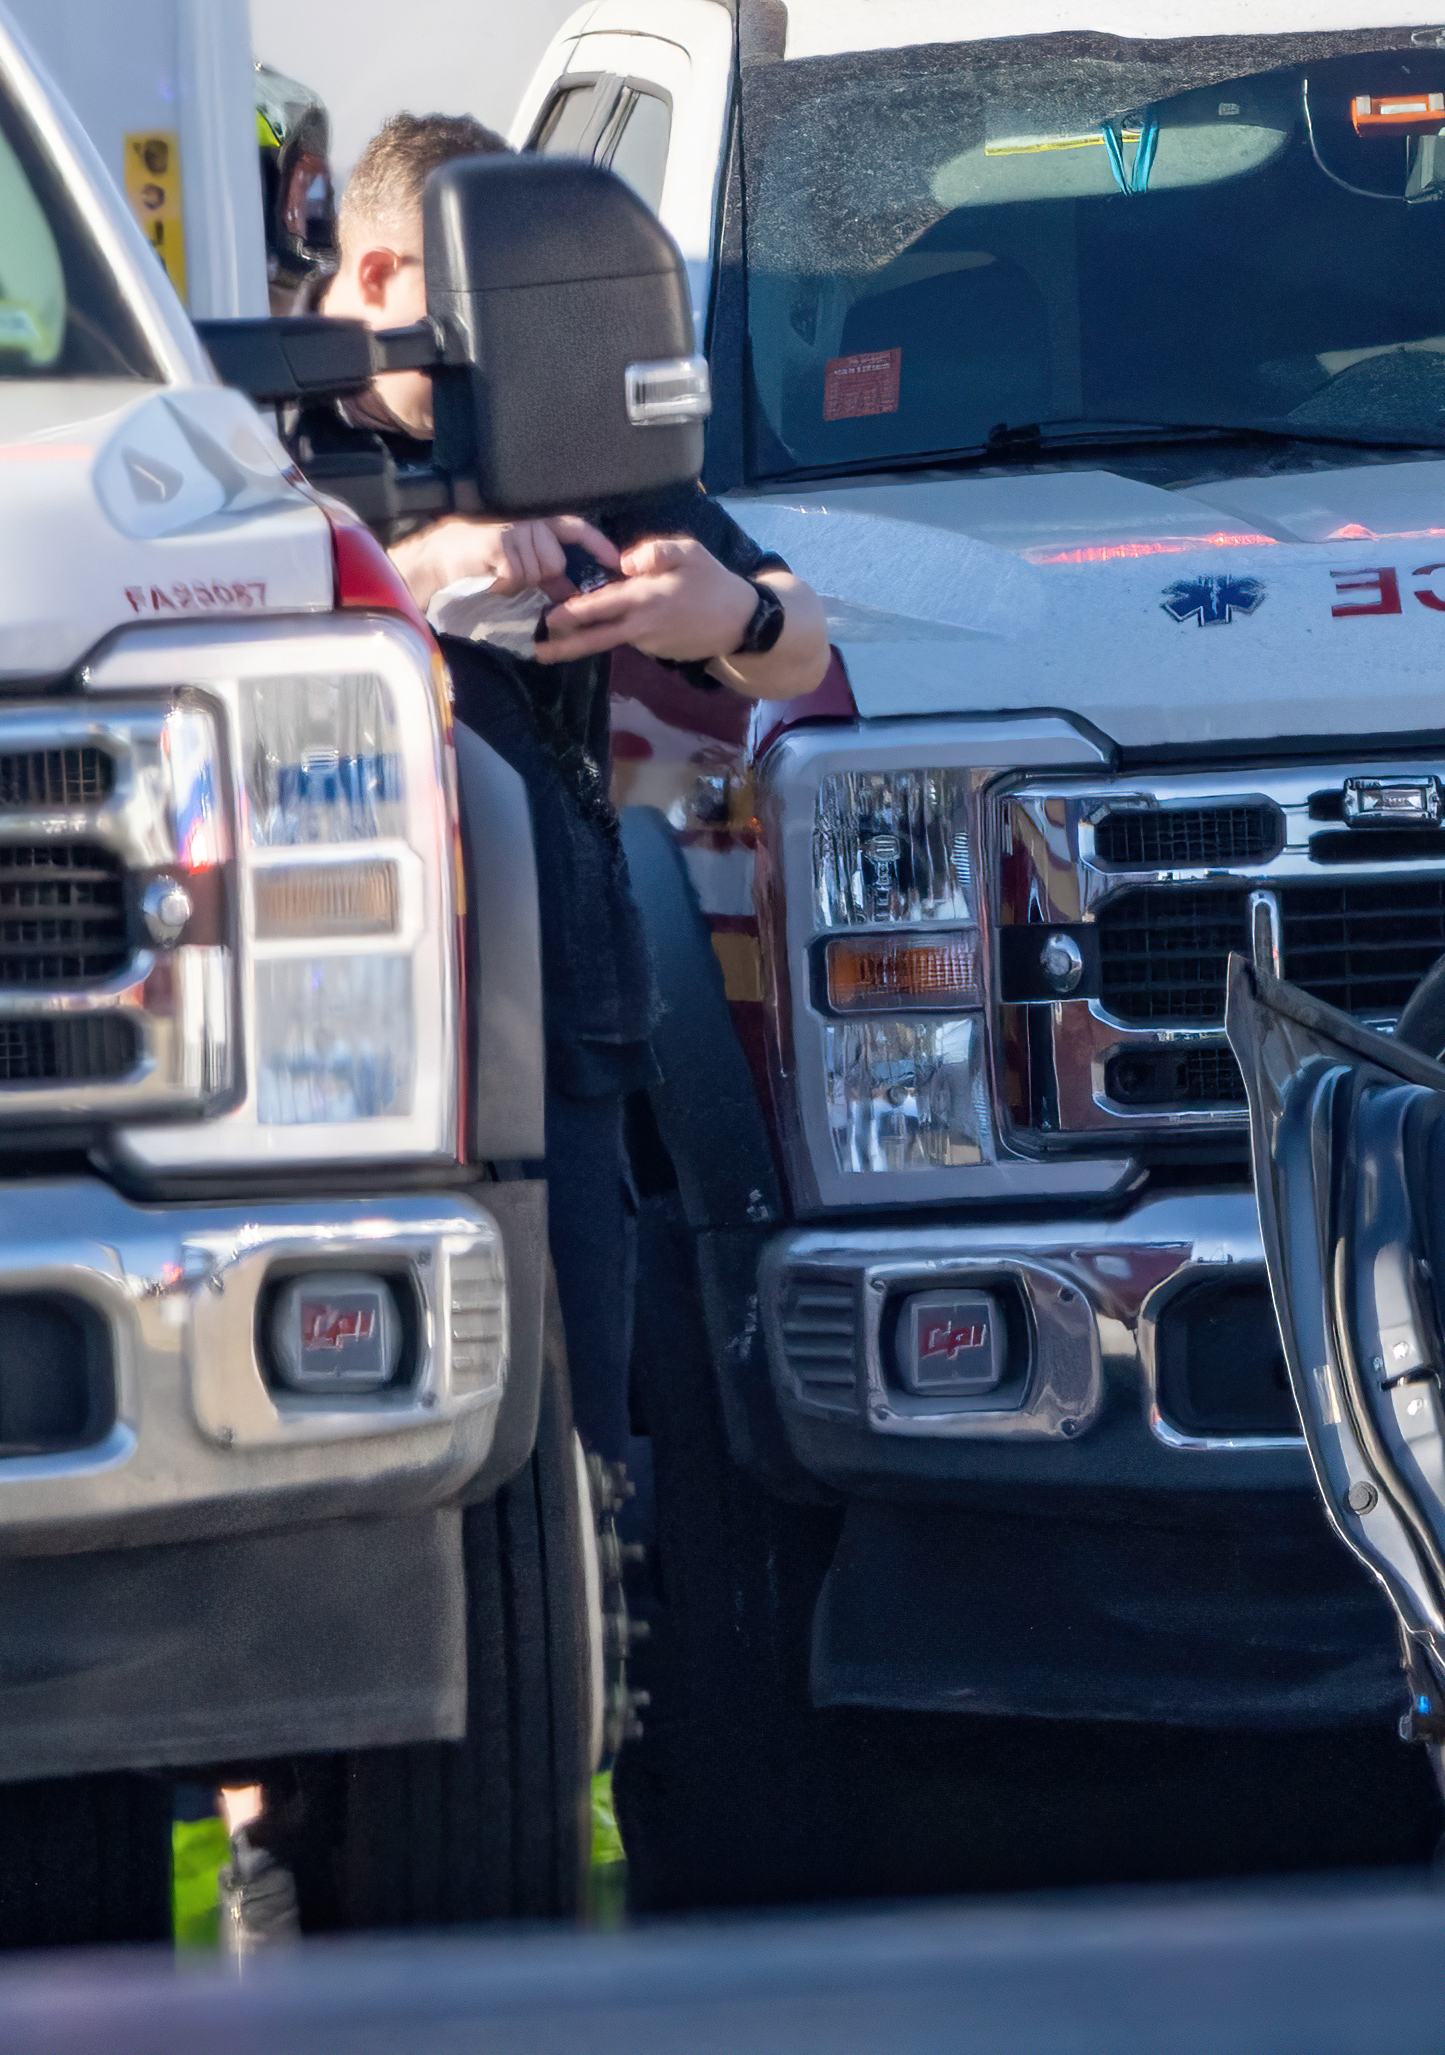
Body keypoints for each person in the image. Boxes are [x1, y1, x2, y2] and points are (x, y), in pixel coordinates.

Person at [317, 112, 828, 1489]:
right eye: (470, 318)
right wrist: (416, 572)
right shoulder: (234, 420)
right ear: (376, 282)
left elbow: (800, 643)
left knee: (575, 1456)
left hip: (560, 1006)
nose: (510, 357)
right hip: (326, 1038)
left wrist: (726, 609)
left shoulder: (570, 412)